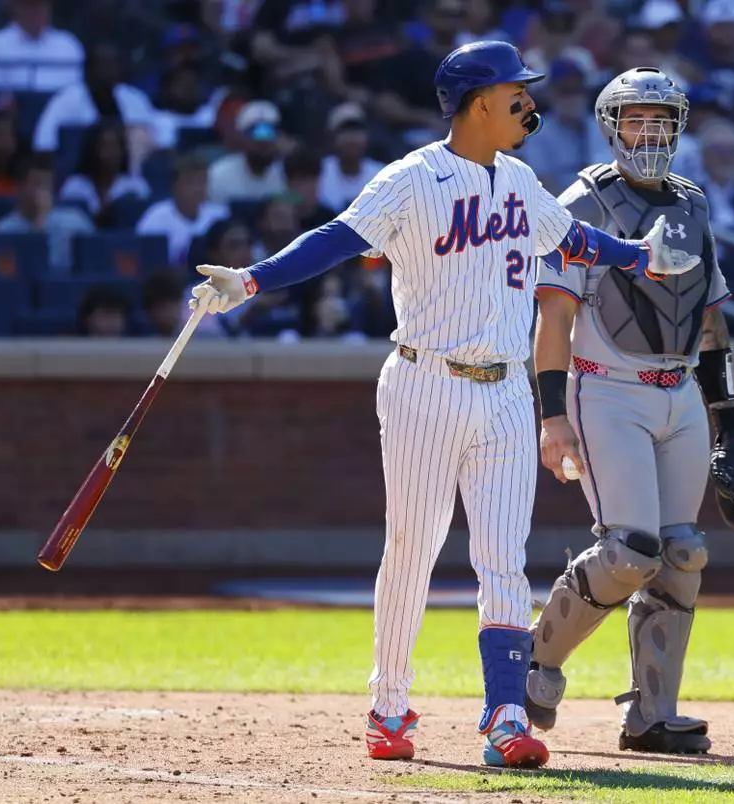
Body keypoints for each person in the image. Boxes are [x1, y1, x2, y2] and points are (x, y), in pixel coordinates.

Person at [187, 41, 702, 769]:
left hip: (507, 389)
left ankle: (506, 715)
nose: (529, 103)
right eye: (516, 92)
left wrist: (640, 256)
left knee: (504, 560)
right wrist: (251, 281)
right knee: (413, 549)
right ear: (480, 103)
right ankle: (388, 704)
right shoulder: (413, 177)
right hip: (425, 382)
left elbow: (576, 241)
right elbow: (336, 240)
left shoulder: (520, 179)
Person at [523, 67, 734, 757]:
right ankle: (537, 660)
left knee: (682, 553)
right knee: (631, 551)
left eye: (661, 120)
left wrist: (731, 424)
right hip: (606, 386)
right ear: (611, 127)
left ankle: (652, 715)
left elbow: (712, 322)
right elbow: (553, 317)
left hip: (680, 391)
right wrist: (552, 417)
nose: (649, 133)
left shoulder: (693, 204)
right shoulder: (581, 201)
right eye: (636, 119)